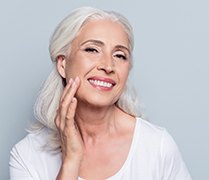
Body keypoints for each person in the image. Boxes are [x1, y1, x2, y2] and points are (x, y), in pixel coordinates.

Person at [9, 6, 192, 180]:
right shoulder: (27, 156)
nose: (107, 65)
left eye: (120, 55)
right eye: (92, 50)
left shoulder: (157, 146)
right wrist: (71, 160)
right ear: (63, 64)